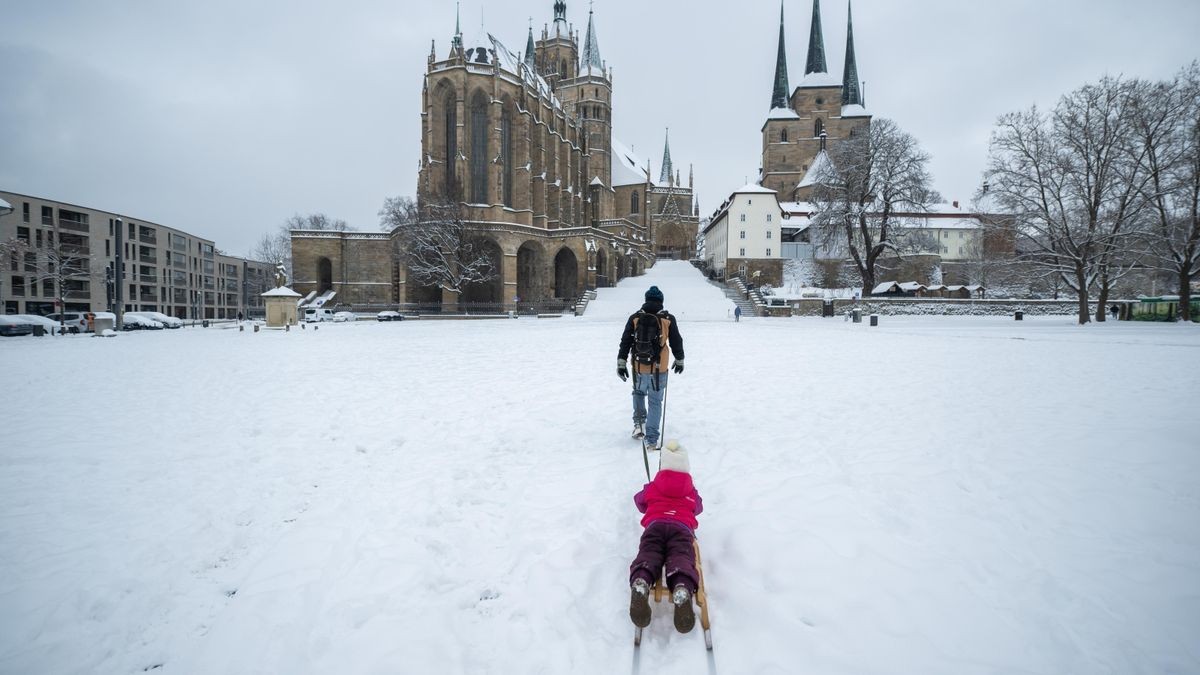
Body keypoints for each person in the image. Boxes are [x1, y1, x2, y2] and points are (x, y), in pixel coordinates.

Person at [629, 440, 702, 633]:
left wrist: (650, 491)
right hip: (681, 529)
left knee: (649, 553)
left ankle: (642, 582)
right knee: (681, 556)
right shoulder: (691, 490)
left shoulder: (654, 486)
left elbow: (639, 501)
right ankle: (681, 587)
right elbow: (698, 507)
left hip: (655, 526)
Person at [617, 285, 684, 447]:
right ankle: (652, 438)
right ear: (661, 301)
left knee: (638, 394)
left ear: (646, 300)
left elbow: (626, 340)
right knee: (655, 401)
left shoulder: (635, 317)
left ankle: (639, 425)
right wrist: (679, 359)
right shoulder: (668, 319)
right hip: (659, 368)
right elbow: (676, 341)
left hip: (638, 367)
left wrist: (621, 362)